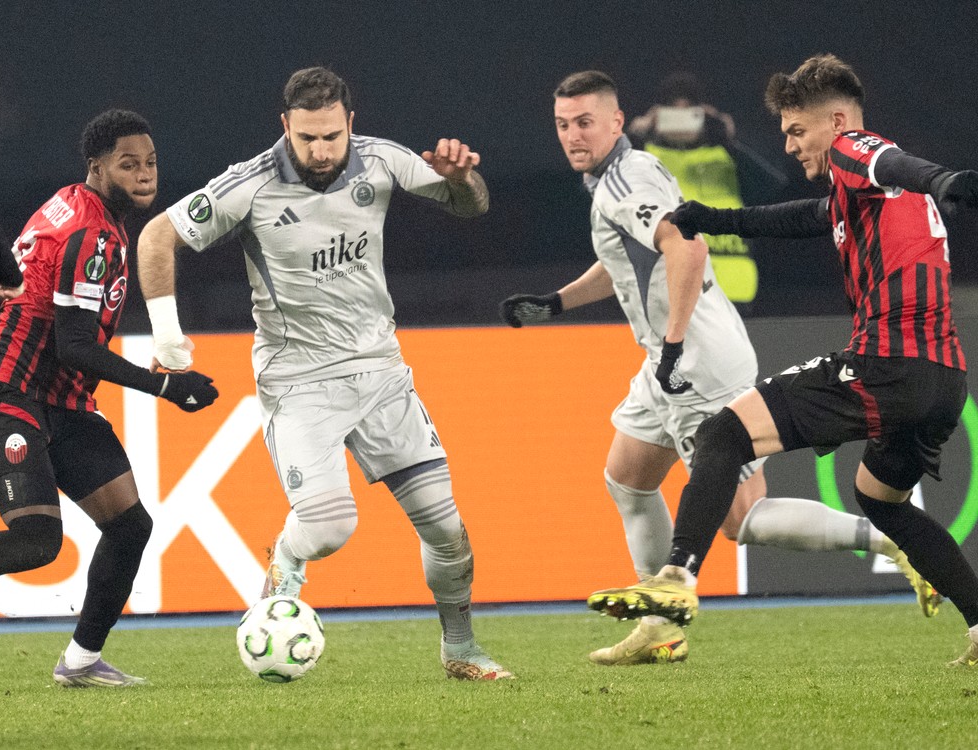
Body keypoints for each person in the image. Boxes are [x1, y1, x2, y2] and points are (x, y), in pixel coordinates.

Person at [500, 70, 938, 667]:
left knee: (743, 518)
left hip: (694, 360)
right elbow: (626, 259)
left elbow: (687, 245)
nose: (572, 136)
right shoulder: (616, 179)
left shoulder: (628, 178)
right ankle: (660, 624)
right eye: (562, 125)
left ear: (614, 121)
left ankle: (891, 538)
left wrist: (675, 345)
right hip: (674, 353)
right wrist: (556, 302)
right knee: (627, 476)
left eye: (584, 123)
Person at [135, 67, 512, 681]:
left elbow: (472, 206)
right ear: (285, 126)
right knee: (331, 526)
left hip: (381, 372)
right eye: (307, 138)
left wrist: (463, 178)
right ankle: (286, 564)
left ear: (350, 124)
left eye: (331, 137)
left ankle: (461, 649)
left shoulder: (381, 161)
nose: (320, 151)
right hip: (299, 381)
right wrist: (170, 338)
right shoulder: (250, 185)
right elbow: (156, 238)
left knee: (446, 527)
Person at [0, 110, 220, 687]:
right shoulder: (94, 233)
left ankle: (82, 663)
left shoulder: (67, 203)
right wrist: (167, 385)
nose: (143, 175)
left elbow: (13, 279)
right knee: (37, 541)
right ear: (98, 166)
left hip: (61, 401)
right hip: (12, 388)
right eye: (128, 164)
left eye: (151, 163)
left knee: (130, 525)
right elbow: (77, 347)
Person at [627, 72, 788, 307]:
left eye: (690, 113)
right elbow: (601, 194)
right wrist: (633, 138)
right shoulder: (645, 158)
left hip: (735, 295)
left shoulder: (726, 157)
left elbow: (775, 184)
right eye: (673, 114)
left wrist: (732, 140)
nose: (681, 123)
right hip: (672, 297)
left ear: (704, 115)